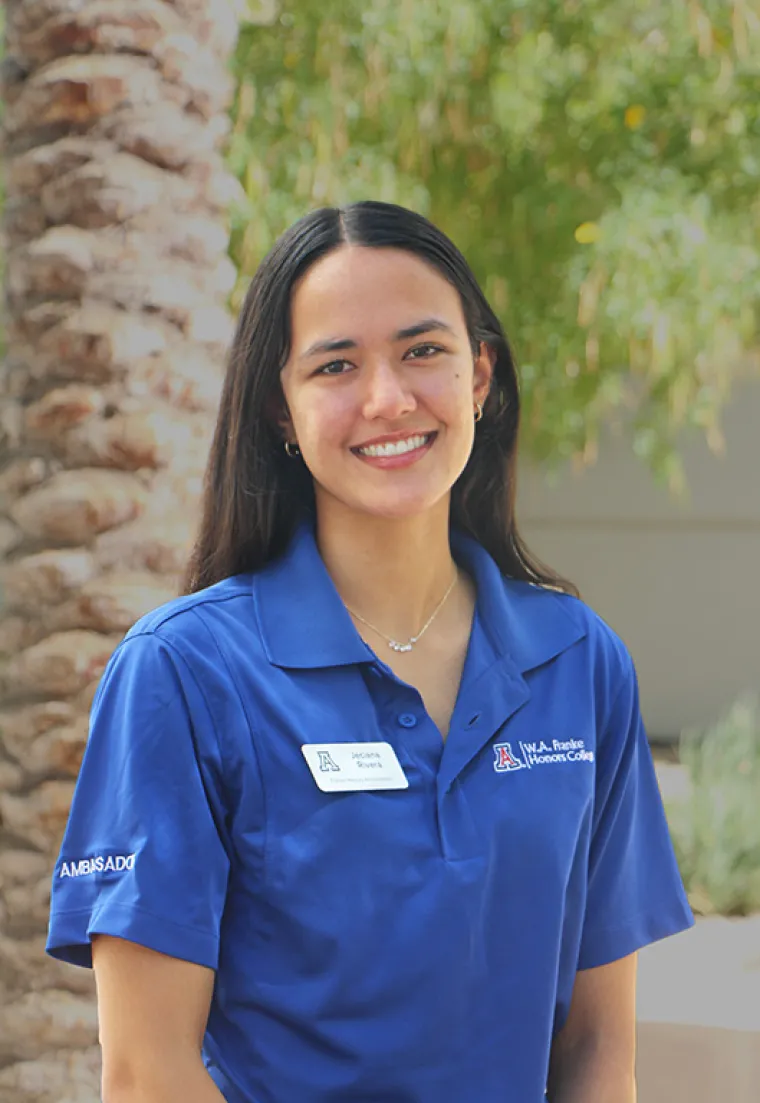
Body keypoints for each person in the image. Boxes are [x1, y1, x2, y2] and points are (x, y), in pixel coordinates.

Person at [47, 201, 693, 1103]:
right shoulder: (184, 674)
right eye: (337, 364)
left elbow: (595, 1048)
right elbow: (147, 1072)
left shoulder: (580, 664)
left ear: (480, 376)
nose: (387, 398)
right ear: (281, 405)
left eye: (422, 350)